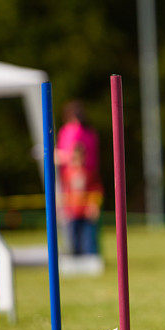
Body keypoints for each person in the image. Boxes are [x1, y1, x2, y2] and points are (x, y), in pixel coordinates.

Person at [56, 101, 102, 255]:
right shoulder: (91, 133)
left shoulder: (71, 131)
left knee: (87, 239)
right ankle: (80, 260)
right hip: (73, 207)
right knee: (79, 239)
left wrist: (54, 156)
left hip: (84, 204)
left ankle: (89, 260)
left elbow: (96, 187)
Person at [61, 142, 103, 255]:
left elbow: (96, 190)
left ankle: (92, 260)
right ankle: (75, 260)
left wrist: (94, 206)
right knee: (73, 240)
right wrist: (65, 209)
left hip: (86, 212)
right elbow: (65, 192)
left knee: (89, 239)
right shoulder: (67, 173)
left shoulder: (89, 173)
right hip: (72, 212)